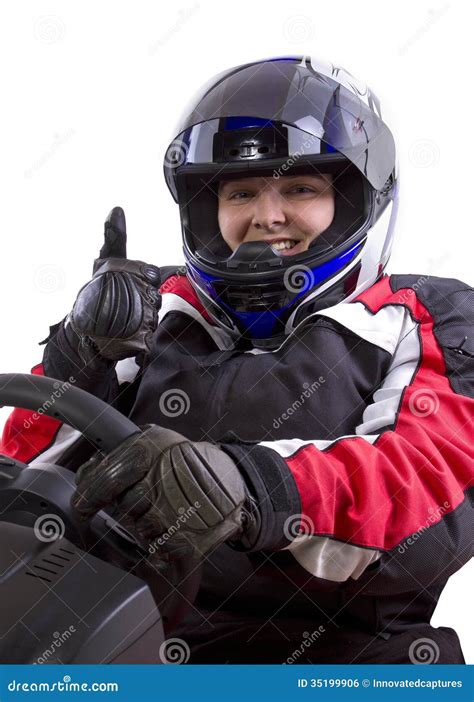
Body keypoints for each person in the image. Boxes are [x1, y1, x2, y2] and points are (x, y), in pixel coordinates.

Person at [1, 56, 472, 664]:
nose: (266, 216)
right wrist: (79, 355)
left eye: (301, 188)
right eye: (240, 191)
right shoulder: (157, 306)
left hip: (345, 658)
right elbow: (27, 474)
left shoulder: (427, 316)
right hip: (126, 633)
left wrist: (247, 486)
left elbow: (427, 493)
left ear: (357, 199)